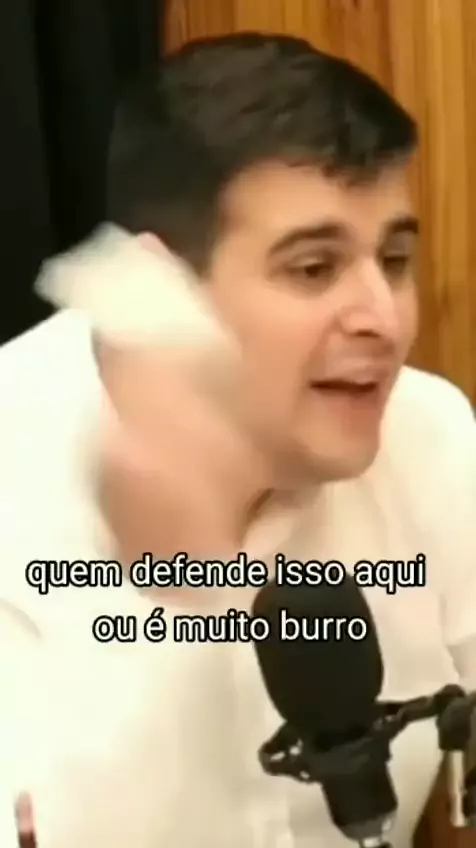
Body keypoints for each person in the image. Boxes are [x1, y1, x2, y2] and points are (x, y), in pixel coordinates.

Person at [0, 31, 475, 848]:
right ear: (161, 292)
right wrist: (178, 591)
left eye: (395, 259)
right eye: (313, 268)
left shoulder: (427, 431)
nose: (384, 318)